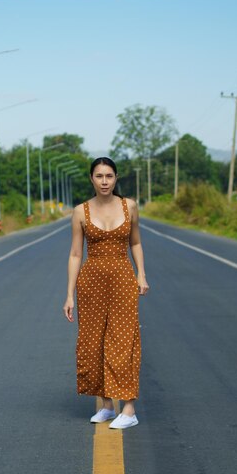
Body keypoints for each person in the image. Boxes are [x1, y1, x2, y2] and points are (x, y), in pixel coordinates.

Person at [63, 157, 149, 429]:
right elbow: (76, 254)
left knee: (124, 341)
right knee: (94, 341)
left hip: (123, 279)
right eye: (99, 176)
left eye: (109, 176)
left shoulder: (130, 206)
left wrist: (141, 273)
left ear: (116, 178)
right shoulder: (80, 211)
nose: (104, 181)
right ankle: (107, 406)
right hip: (91, 282)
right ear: (91, 178)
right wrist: (69, 295)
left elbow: (135, 242)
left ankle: (129, 409)